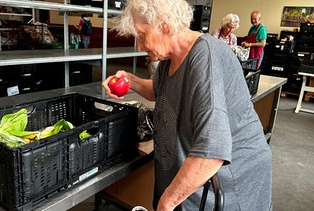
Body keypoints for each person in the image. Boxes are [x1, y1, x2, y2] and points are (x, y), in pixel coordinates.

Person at [102, 0, 272, 210]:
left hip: (229, 183)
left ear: (163, 24)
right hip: (197, 176)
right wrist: (130, 80)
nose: (139, 45)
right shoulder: (169, 58)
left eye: (142, 34)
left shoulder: (204, 59)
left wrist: (167, 203)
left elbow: (212, 152)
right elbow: (161, 91)